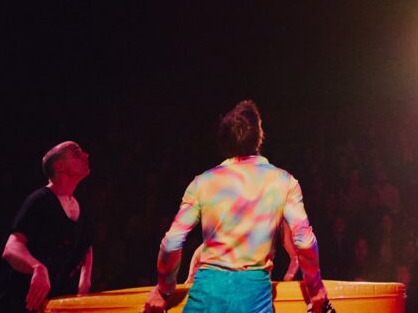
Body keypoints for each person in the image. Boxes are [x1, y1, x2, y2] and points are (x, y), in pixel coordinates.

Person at [142, 100, 333, 313]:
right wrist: (315, 288)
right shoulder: (284, 182)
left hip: (205, 297)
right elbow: (304, 242)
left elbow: (171, 243)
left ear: (224, 141)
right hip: (253, 299)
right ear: (259, 135)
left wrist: (163, 289)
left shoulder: (202, 183)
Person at [0, 142, 94, 313]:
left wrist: (85, 280)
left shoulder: (80, 207)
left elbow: (86, 246)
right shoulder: (40, 200)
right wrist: (37, 268)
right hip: (9, 303)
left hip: (41, 305)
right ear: (60, 166)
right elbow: (11, 248)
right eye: (76, 153)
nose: (86, 155)